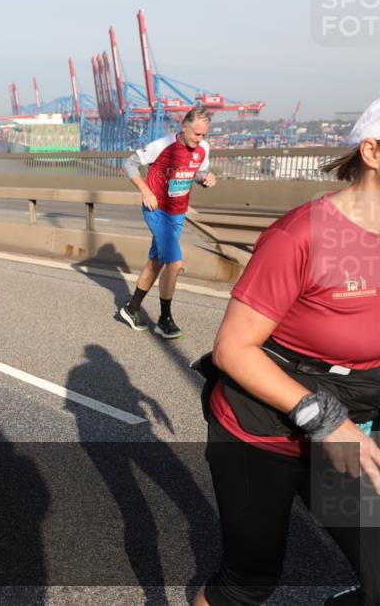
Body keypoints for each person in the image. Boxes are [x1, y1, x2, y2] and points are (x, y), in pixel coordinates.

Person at [193, 100, 380, 605]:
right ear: (373, 152)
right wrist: (326, 420)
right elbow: (233, 350)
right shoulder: (303, 235)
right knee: (248, 584)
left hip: (355, 422)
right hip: (266, 429)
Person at [118, 106, 217, 338]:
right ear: (184, 127)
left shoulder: (203, 148)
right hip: (157, 210)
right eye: (196, 134)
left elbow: (199, 172)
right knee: (174, 263)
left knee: (156, 261)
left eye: (204, 135)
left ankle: (131, 309)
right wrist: (146, 191)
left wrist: (207, 178)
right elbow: (129, 164)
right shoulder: (161, 146)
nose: (200, 139)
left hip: (178, 212)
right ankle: (165, 319)